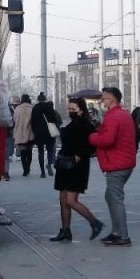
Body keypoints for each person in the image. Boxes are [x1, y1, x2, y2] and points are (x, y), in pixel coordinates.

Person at [49, 98, 104, 242]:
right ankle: (65, 230)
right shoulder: (75, 122)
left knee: (71, 200)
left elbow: (89, 145)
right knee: (63, 200)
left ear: (81, 109)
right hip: (65, 165)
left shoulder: (85, 124)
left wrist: (78, 156)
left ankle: (95, 222)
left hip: (76, 166)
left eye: (73, 109)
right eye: (69, 109)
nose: (71, 111)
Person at [89, 87, 136, 246]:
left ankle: (122, 235)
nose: (102, 101)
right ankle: (116, 232)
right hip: (124, 162)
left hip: (116, 164)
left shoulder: (113, 116)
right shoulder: (123, 114)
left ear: (113, 100)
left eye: (105, 98)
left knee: (115, 199)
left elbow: (107, 140)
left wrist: (93, 137)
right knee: (110, 196)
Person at [31, 93, 59, 178]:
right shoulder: (49, 107)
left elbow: (32, 121)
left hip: (39, 133)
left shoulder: (35, 108)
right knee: (50, 149)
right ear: (45, 99)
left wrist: (35, 131)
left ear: (38, 99)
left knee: (40, 152)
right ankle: (49, 163)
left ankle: (42, 172)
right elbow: (55, 119)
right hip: (49, 132)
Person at [13, 94, 35, 176]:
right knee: (29, 152)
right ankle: (28, 167)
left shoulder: (18, 108)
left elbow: (14, 119)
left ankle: (25, 169)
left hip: (20, 133)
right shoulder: (32, 108)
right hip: (30, 132)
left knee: (23, 153)